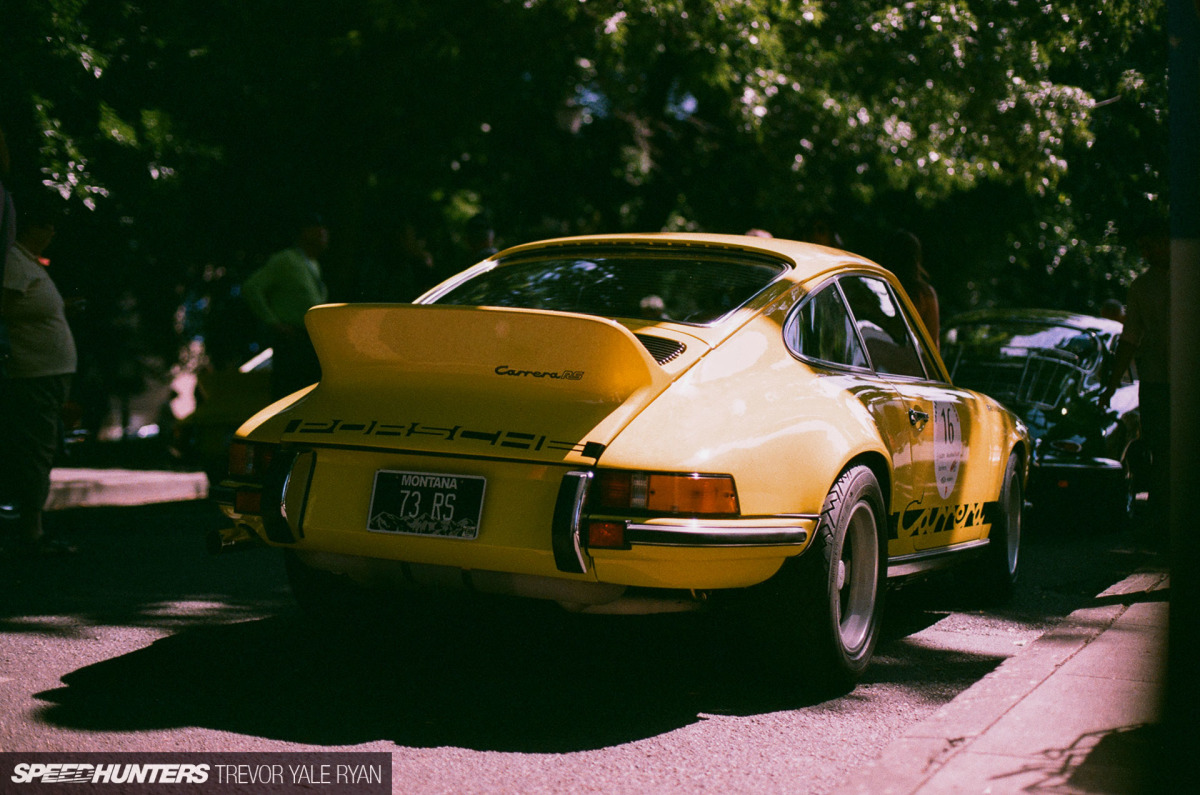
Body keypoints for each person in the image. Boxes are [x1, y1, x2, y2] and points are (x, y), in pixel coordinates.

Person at [0, 198, 78, 555]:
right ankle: (31, 531)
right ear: (35, 228)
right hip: (31, 374)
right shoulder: (13, 261)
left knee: (38, 448)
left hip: (43, 374)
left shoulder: (25, 262)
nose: (52, 235)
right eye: (48, 227)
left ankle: (30, 525)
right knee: (35, 450)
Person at [1101, 220, 1170, 545]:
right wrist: (1113, 383)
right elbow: (1130, 337)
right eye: (1142, 247)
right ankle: (1161, 519)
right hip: (1156, 379)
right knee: (1159, 448)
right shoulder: (1141, 287)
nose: (1145, 253)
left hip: (1168, 378)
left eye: (1150, 244)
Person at [242, 213, 329, 399]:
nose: (323, 233)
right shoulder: (286, 260)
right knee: (288, 395)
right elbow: (252, 288)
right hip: (291, 341)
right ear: (305, 232)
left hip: (310, 342)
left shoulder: (314, 264)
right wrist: (274, 323)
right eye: (317, 227)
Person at [881, 229, 940, 349]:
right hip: (912, 364)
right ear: (916, 258)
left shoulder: (879, 288)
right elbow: (933, 344)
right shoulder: (924, 294)